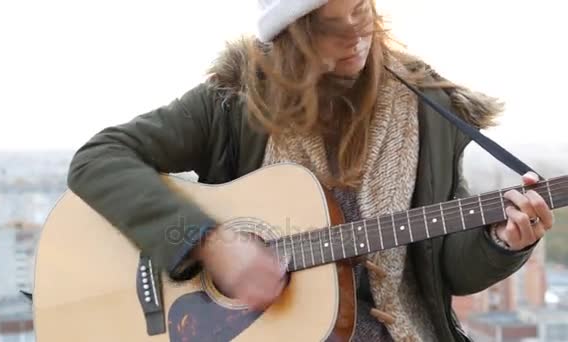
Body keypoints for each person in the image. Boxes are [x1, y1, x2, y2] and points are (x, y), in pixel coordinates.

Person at [66, 0, 554, 340]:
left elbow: (441, 269)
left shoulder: (428, 110)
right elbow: (98, 159)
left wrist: (503, 242)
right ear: (290, 37)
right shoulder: (233, 106)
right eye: (328, 26)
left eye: (360, 11)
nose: (355, 36)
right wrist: (207, 244)